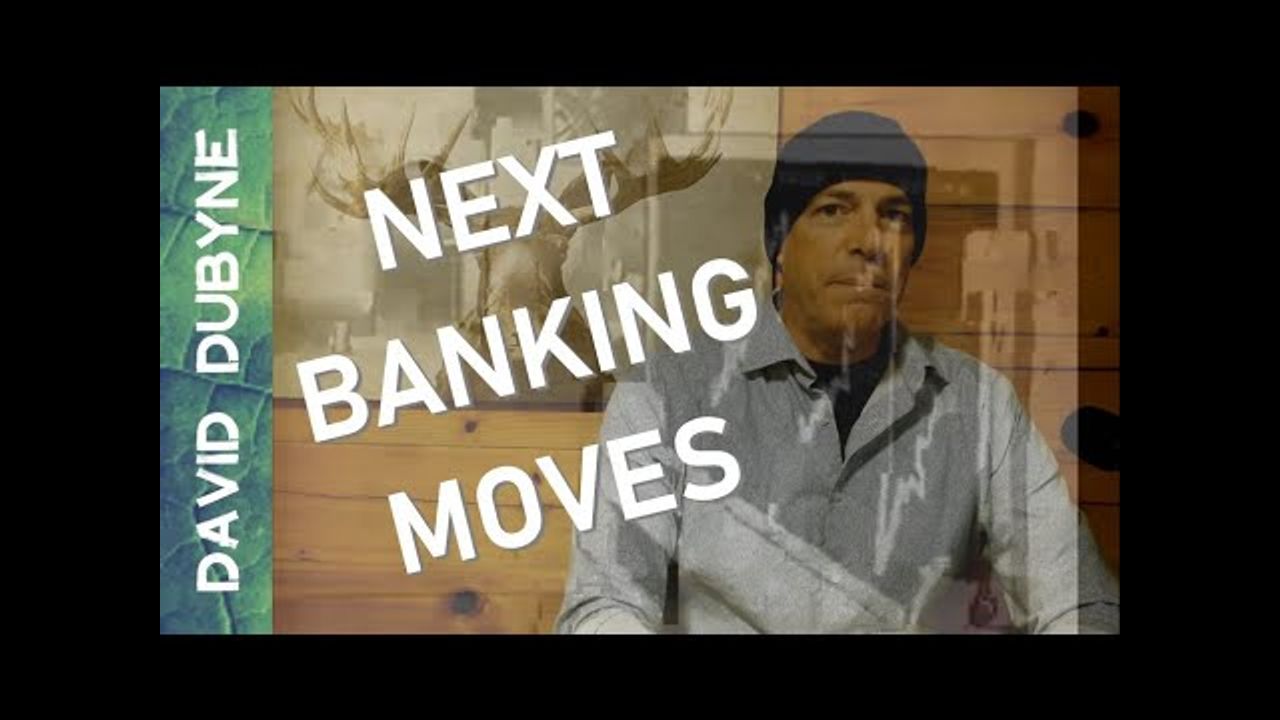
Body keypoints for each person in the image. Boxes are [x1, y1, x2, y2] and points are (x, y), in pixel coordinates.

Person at [555, 110, 1120, 633]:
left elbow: (1080, 602)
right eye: (833, 210)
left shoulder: (980, 406)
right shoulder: (664, 396)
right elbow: (605, 602)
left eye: (894, 216)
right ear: (780, 243)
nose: (868, 242)